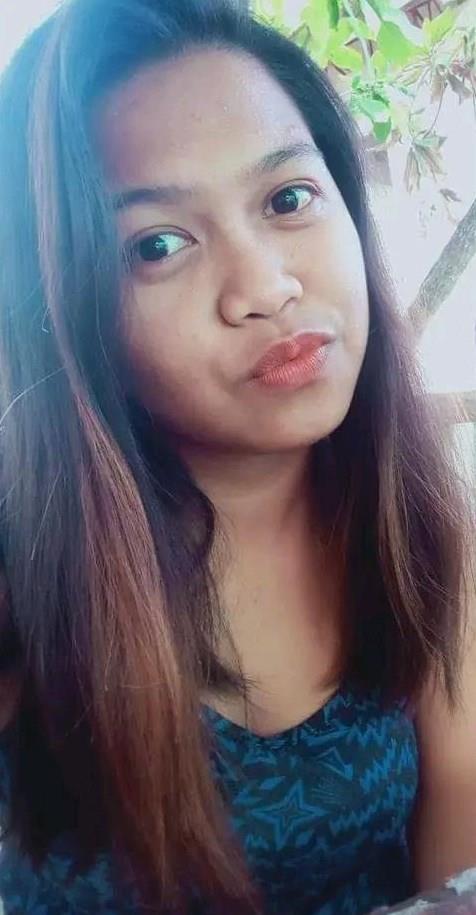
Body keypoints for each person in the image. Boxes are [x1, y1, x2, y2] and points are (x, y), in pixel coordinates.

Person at [0, 0, 474, 912]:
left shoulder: (427, 537)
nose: (265, 286)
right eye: (158, 245)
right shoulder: (26, 575)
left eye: (287, 199)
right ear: (61, 311)